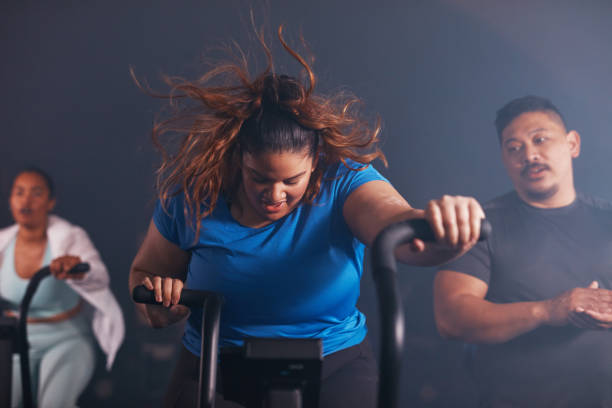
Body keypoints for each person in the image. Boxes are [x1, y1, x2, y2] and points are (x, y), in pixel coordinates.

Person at [129, 28, 485, 408]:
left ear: (315, 162)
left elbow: (397, 230)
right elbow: (146, 277)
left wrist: (440, 228)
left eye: (291, 180)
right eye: (259, 178)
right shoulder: (193, 197)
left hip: (332, 361)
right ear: (238, 159)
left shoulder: (346, 180)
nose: (275, 194)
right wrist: (159, 304)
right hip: (215, 363)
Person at [434, 95, 612, 407]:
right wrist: (549, 310)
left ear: (572, 144)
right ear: (504, 158)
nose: (529, 155)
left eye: (540, 140)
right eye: (514, 148)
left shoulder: (607, 218)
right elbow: (451, 317)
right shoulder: (480, 225)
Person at [0, 167, 125, 408]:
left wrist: (77, 268)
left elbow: (99, 276)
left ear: (50, 201)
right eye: (19, 192)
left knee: (53, 404)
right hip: (15, 343)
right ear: (10, 200)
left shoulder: (70, 237)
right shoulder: (3, 242)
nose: (26, 200)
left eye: (36, 193)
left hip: (66, 340)